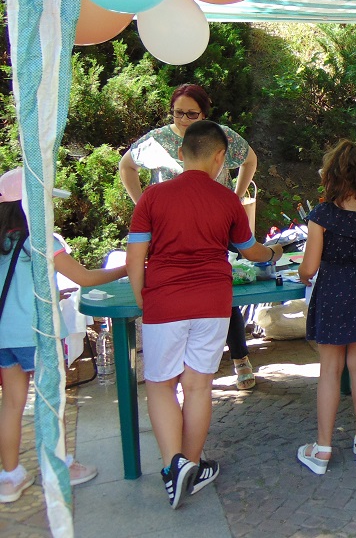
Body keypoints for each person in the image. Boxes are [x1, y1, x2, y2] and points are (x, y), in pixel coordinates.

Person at [125, 121, 281, 509]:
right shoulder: (227, 200)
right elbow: (250, 250)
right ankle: (191, 467)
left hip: (165, 301)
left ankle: (173, 466)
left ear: (180, 154)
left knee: (161, 385)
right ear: (220, 158)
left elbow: (135, 257)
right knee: (198, 386)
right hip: (213, 303)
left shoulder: (152, 197)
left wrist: (142, 299)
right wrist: (274, 252)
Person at [119, 83, 260, 391]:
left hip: (214, 226)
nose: (183, 119)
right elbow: (126, 166)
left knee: (220, 287)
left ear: (204, 114)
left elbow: (250, 160)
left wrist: (236, 197)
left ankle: (239, 357)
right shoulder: (156, 140)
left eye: (191, 114)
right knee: (173, 293)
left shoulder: (219, 136)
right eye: (178, 112)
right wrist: (142, 205)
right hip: (170, 231)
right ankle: (184, 370)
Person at [0, 167, 123, 503]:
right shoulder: (42, 242)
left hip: (4, 338)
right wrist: (129, 267)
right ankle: (60, 468)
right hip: (37, 334)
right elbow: (85, 278)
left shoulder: (4, 244)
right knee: (51, 402)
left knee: (11, 404)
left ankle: (10, 477)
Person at [296, 140, 356, 474]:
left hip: (334, 290)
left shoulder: (322, 214)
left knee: (330, 370)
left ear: (331, 175)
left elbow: (309, 268)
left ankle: (322, 449)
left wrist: (301, 273)